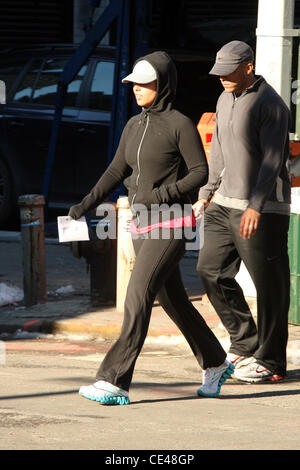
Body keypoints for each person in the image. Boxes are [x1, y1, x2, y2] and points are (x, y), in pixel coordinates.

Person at [68, 51, 234, 405]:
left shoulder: (179, 124)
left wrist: (162, 194)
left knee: (137, 295)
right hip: (142, 225)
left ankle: (114, 380)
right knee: (173, 301)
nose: (137, 89)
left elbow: (199, 173)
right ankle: (216, 361)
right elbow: (116, 171)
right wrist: (83, 205)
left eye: (145, 84)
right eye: (134, 84)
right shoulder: (134, 125)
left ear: (162, 85)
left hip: (171, 223)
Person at [193, 40, 291, 383]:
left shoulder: (271, 105)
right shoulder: (223, 98)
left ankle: (272, 361)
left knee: (270, 286)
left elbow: (272, 161)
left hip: (263, 210)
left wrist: (256, 206)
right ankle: (245, 341)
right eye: (218, 72)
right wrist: (206, 194)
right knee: (210, 270)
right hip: (223, 204)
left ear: (248, 66)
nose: (221, 78)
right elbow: (217, 151)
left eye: (228, 71)